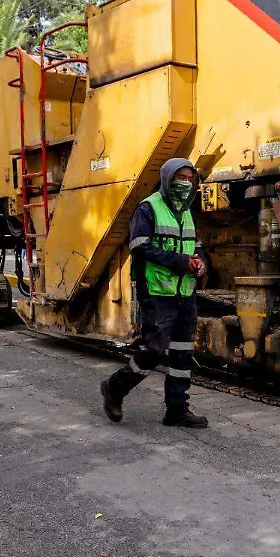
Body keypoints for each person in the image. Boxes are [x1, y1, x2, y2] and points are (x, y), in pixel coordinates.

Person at [99, 158, 210, 429]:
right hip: (157, 294)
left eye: (189, 178)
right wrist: (182, 262)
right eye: (180, 177)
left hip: (185, 293)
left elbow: (197, 248)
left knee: (182, 354)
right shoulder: (148, 208)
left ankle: (177, 410)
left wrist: (200, 262)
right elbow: (140, 247)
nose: (185, 183)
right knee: (154, 351)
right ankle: (115, 388)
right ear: (167, 178)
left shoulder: (187, 213)